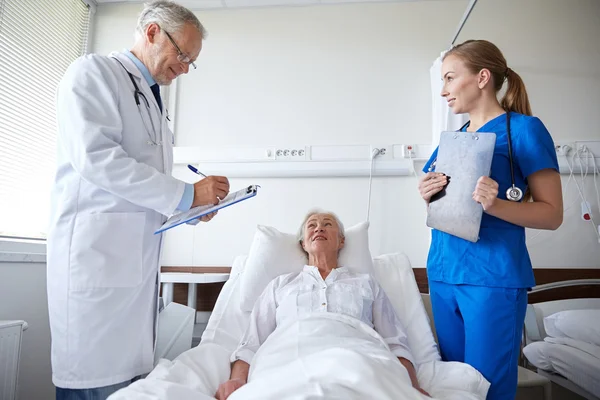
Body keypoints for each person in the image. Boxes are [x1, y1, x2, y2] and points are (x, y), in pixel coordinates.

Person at [47, 1, 230, 398]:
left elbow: (143, 191)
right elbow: (97, 159)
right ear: (151, 32)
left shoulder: (152, 102)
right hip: (95, 270)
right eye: (182, 54)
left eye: (191, 62)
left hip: (133, 276)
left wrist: (191, 207)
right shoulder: (92, 73)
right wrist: (184, 193)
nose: (184, 68)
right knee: (95, 385)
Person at [418, 40, 563, 400]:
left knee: (489, 390)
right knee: (453, 387)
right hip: (443, 273)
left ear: (482, 77)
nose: (443, 90)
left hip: (492, 278)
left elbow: (552, 214)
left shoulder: (525, 131)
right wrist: (428, 195)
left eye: (450, 78)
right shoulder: (452, 139)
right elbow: (445, 211)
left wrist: (496, 205)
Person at [215, 210, 430, 400]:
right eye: (312, 225)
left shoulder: (367, 284)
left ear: (341, 241)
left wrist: (412, 387)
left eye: (328, 224)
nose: (319, 228)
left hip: (358, 358)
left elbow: (395, 342)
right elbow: (252, 342)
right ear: (303, 244)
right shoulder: (280, 285)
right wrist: (237, 380)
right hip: (288, 357)